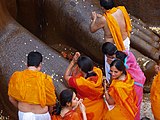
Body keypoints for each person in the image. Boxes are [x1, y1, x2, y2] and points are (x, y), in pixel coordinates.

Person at [102, 42, 146, 120]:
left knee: (132, 105)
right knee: (135, 104)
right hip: (138, 78)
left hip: (135, 84)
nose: (113, 73)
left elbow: (111, 101)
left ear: (108, 55)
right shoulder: (127, 53)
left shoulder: (117, 65)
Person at [8, 51, 57, 120]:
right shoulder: (46, 79)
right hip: (42, 114)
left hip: (24, 115)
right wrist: (49, 112)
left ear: (27, 64)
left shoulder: (17, 76)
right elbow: (51, 102)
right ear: (40, 65)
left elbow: (11, 99)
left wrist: (21, 108)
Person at [64, 52, 107, 120]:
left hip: (86, 105)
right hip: (100, 105)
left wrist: (73, 62)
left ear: (80, 69)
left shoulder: (80, 82)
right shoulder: (98, 72)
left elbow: (66, 77)